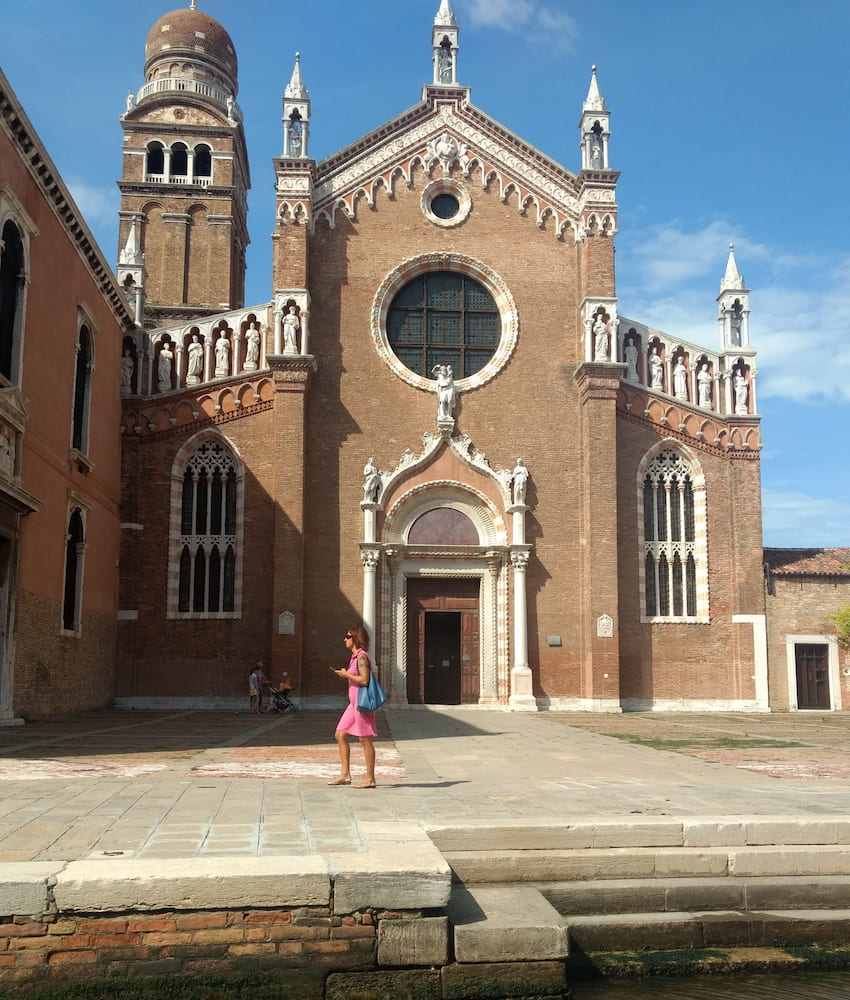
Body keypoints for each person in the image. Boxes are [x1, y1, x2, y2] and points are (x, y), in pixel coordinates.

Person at [328, 625, 377, 788]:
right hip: (353, 704)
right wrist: (346, 673)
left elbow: (364, 680)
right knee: (340, 734)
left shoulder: (362, 657)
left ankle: (370, 778)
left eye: (348, 636)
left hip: (361, 704)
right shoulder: (355, 658)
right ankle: (345, 774)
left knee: (364, 739)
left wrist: (346, 674)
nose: (345, 639)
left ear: (355, 638)